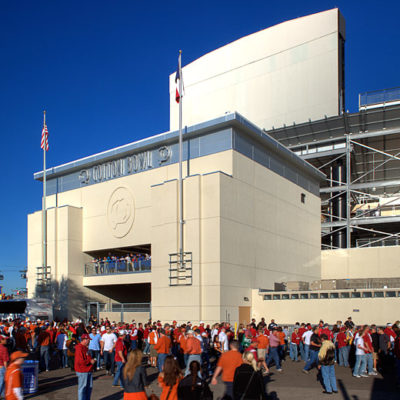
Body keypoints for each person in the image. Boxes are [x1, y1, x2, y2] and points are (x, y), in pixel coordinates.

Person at [75, 334, 96, 400]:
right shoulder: (79, 348)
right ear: (85, 340)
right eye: (88, 340)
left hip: (88, 370)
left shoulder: (85, 348)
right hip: (83, 370)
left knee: (88, 388)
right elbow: (80, 361)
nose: (89, 341)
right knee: (82, 388)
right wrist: (90, 361)